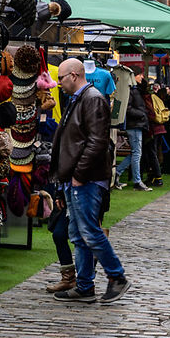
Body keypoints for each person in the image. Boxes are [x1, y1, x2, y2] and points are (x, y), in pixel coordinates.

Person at [51, 58, 131, 303]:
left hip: (86, 178)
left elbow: (97, 142)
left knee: (88, 231)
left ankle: (117, 277)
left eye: (62, 77)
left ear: (74, 75)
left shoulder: (92, 98)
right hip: (78, 177)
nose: (59, 82)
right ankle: (85, 286)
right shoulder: (82, 98)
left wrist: (78, 174)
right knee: (79, 232)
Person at [115, 68, 152, 191]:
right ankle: (137, 181)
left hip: (136, 123)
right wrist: (141, 114)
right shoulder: (131, 90)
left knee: (135, 152)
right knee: (136, 153)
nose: (142, 76)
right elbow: (128, 108)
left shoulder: (134, 89)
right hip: (135, 124)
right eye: (139, 75)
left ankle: (117, 173)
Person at [139, 76, 165, 187]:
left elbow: (150, 115)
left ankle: (158, 178)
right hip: (158, 128)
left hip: (153, 129)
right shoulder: (151, 97)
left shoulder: (146, 98)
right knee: (152, 153)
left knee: (152, 153)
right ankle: (153, 176)